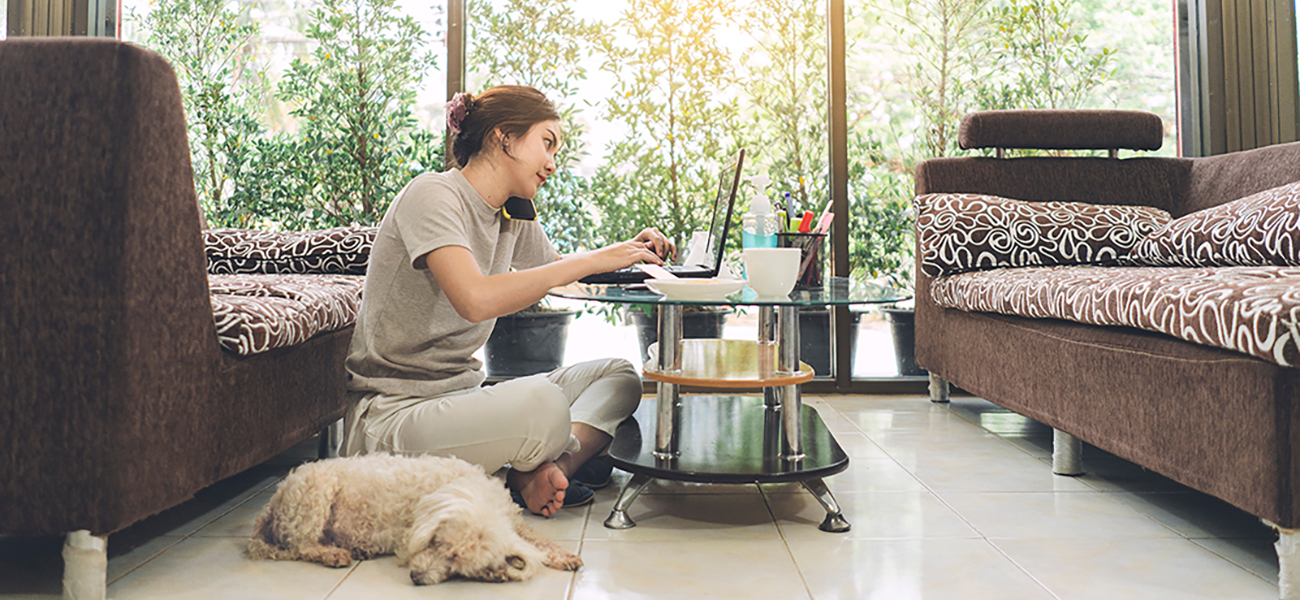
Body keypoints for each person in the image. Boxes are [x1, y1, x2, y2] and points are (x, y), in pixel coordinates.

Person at [341, 85, 674, 517]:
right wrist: (593, 259)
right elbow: (474, 299)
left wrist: (629, 250)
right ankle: (530, 469)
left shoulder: (512, 212)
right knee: (543, 404)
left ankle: (551, 470)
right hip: (393, 416)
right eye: (547, 143)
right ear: (504, 137)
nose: (552, 163)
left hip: (462, 398)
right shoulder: (432, 194)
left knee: (621, 376)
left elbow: (557, 270)